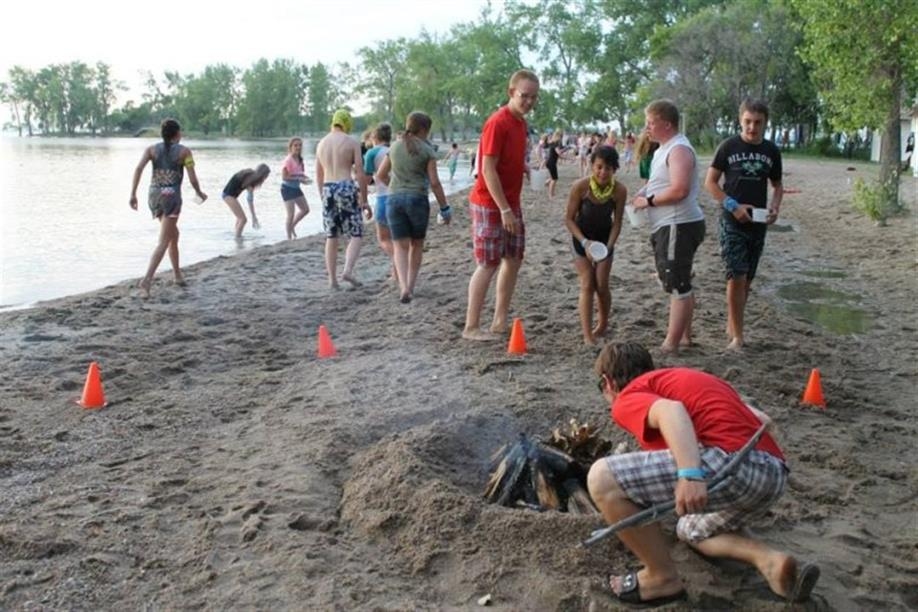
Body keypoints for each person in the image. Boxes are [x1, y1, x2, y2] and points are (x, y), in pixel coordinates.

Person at [587, 341, 820, 606]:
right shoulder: (688, 379)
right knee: (689, 528)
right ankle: (770, 562)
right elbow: (761, 418)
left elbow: (671, 411)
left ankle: (660, 577)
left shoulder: (629, 395)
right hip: (772, 475)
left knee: (601, 478)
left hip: (732, 465)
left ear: (608, 383)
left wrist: (690, 475)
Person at [462, 69, 540, 341]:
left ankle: (499, 320)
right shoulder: (498, 122)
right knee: (488, 263)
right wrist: (504, 208)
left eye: (533, 97)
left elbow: (508, 160)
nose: (528, 102)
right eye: (524, 96)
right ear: (511, 93)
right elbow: (487, 168)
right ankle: (471, 327)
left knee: (514, 258)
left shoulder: (520, 124)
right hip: (489, 203)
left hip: (511, 202)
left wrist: (525, 167)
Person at [705, 98, 784, 351]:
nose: (752, 127)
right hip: (732, 221)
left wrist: (775, 207)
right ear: (740, 120)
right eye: (748, 122)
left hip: (758, 223)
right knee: (735, 277)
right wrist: (733, 206)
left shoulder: (771, 151)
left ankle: (733, 323)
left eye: (758, 123)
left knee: (747, 280)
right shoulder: (728, 147)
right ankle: (738, 336)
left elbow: (778, 185)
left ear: (765, 123)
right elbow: (711, 183)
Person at [631, 99, 705, 354]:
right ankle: (684, 336)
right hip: (668, 223)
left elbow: (680, 190)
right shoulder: (663, 149)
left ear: (667, 123)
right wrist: (644, 192)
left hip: (678, 223)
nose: (647, 128)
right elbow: (661, 182)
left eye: (651, 122)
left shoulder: (679, 150)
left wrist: (649, 201)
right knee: (680, 278)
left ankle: (671, 342)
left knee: (676, 282)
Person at [375, 111, 450, 303]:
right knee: (417, 244)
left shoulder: (394, 147)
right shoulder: (427, 150)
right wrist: (444, 208)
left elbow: (380, 176)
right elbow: (434, 182)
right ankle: (411, 285)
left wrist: (396, 183)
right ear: (424, 129)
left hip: (394, 200)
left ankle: (402, 288)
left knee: (400, 246)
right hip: (417, 199)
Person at [129, 118, 207, 298]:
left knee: (174, 235)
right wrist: (199, 193)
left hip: (154, 195)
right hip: (171, 197)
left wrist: (133, 194)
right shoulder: (185, 152)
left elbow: (138, 169)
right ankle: (147, 279)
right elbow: (192, 178)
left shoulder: (151, 150)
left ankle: (177, 275)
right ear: (177, 133)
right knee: (164, 240)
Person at [564, 146, 627, 345]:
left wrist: (608, 248)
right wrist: (585, 242)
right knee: (587, 283)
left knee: (601, 284)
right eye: (599, 167)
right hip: (581, 238)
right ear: (592, 166)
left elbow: (617, 223)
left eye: (608, 168)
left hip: (605, 239)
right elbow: (568, 220)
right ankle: (587, 335)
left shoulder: (619, 191)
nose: (602, 172)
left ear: (614, 170)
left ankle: (602, 324)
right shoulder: (580, 187)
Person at [315, 108, 371, 289]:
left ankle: (332, 280)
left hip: (328, 188)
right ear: (346, 123)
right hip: (345, 186)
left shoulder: (321, 144)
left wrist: (322, 195)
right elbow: (360, 173)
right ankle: (347, 270)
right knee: (356, 232)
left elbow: (318, 175)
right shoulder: (352, 142)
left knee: (331, 235)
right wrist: (364, 199)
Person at [364, 123, 395, 281]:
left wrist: (362, 198)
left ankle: (397, 262)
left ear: (375, 137)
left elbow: (367, 178)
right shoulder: (395, 150)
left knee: (383, 239)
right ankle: (395, 271)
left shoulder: (371, 153)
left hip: (383, 197)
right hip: (398, 196)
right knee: (396, 237)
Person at [222, 164, 271, 239]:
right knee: (243, 219)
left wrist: (254, 216)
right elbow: (250, 200)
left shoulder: (249, 174)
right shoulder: (250, 179)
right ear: (262, 174)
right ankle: (238, 239)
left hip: (230, 195)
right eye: (266, 176)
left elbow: (250, 199)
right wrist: (253, 217)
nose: (266, 178)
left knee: (239, 218)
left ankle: (237, 237)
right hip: (228, 195)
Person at [280, 137, 311, 240]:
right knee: (290, 214)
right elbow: (284, 177)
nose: (298, 147)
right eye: (295, 145)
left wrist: (305, 178)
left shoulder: (300, 159)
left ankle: (292, 226)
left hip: (296, 188)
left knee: (305, 209)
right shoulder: (288, 160)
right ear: (291, 147)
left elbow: (300, 174)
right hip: (287, 188)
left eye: (300, 145)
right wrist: (299, 179)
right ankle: (288, 237)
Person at [545, 130, 566, 198]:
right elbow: (558, 153)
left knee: (552, 177)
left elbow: (556, 152)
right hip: (551, 163)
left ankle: (547, 183)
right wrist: (568, 157)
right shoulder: (556, 143)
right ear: (559, 136)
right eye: (561, 136)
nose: (562, 138)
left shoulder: (552, 142)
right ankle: (550, 195)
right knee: (554, 179)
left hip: (549, 162)